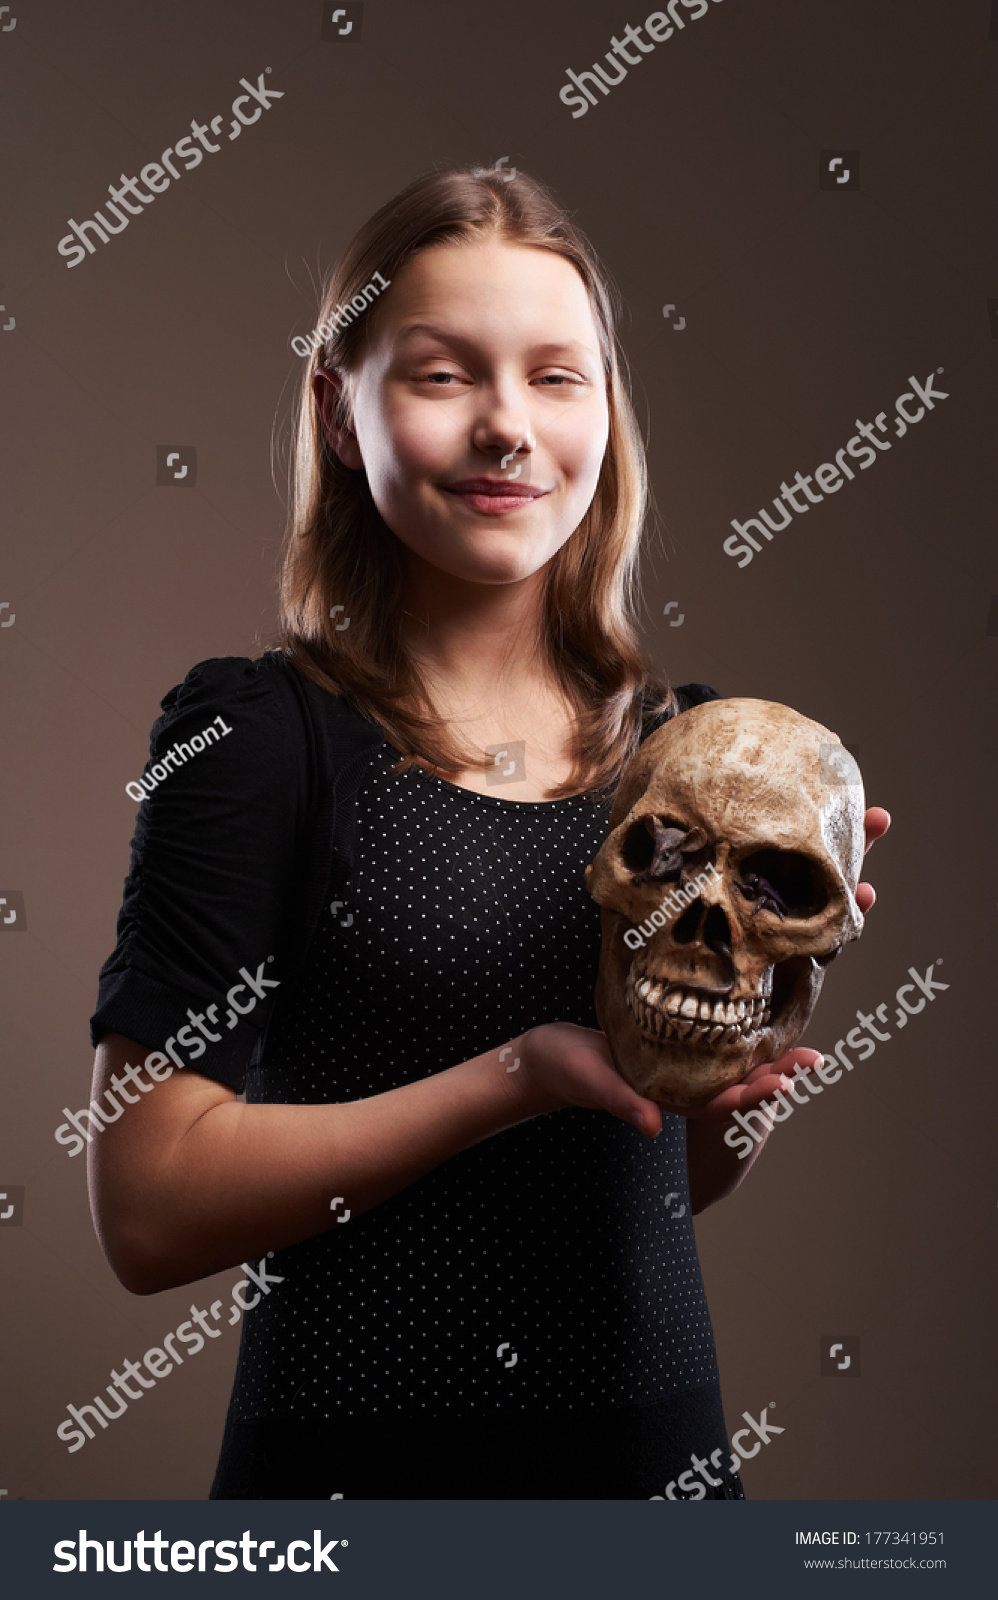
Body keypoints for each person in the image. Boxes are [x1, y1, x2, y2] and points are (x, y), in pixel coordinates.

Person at [88, 166, 889, 1499]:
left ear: (606, 412)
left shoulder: (689, 754)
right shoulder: (260, 740)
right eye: (444, 375)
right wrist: (515, 1076)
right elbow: (149, 1202)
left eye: (555, 375)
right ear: (340, 413)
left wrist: (734, 1068)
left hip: (661, 1492)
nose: (507, 427)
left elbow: (656, 1181)